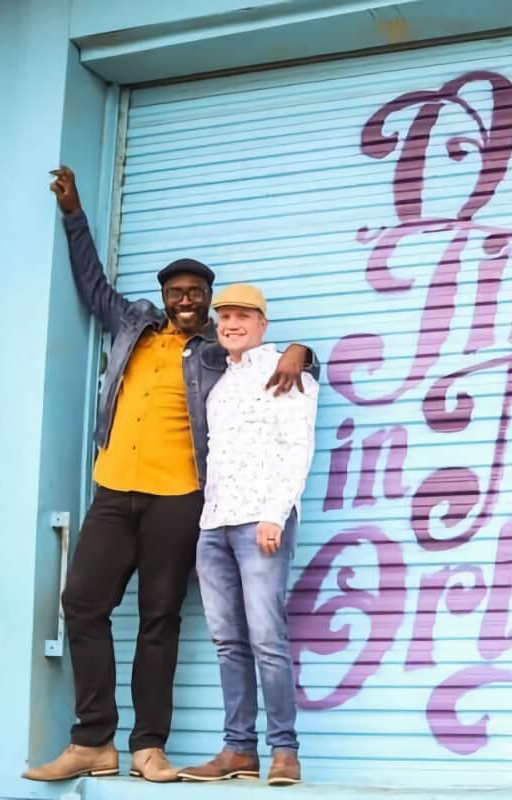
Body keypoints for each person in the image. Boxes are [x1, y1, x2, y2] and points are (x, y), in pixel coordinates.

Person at [23, 167, 319, 783]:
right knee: (82, 604)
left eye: (197, 293)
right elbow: (91, 282)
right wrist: (74, 216)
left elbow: (270, 358)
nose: (187, 300)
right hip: (114, 488)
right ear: (163, 297)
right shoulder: (131, 326)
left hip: (180, 499)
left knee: (160, 618)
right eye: (177, 291)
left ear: (210, 302)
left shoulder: (219, 348)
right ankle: (92, 740)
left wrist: (305, 352)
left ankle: (147, 747)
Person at [176, 284, 317, 787]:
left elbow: (296, 448)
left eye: (243, 317)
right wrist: (204, 527)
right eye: (225, 317)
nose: (231, 324)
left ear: (262, 324)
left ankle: (284, 751)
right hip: (214, 525)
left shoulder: (286, 371)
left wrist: (275, 514)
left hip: (262, 521)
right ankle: (238, 749)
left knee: (265, 637)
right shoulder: (219, 387)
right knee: (227, 641)